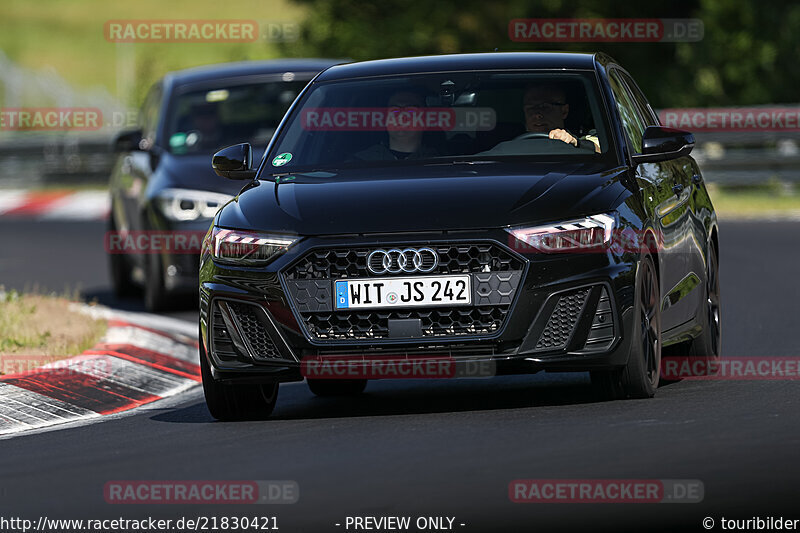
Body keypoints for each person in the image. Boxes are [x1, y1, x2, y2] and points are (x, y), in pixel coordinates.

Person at [355, 89, 439, 161]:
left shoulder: (441, 162)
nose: (402, 117)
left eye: (411, 111)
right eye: (395, 111)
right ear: (385, 120)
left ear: (425, 121)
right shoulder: (360, 162)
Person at [521, 84, 600, 153]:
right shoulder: (510, 140)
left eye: (545, 107)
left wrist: (576, 143)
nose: (537, 115)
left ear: (564, 111)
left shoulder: (582, 138)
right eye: (531, 108)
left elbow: (602, 151)